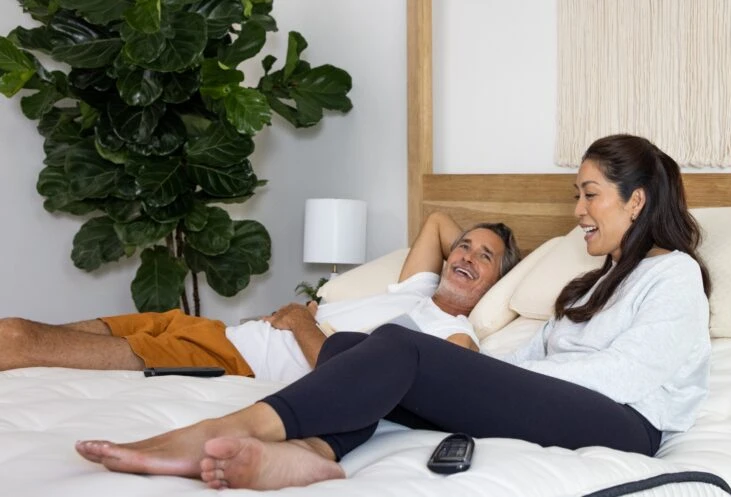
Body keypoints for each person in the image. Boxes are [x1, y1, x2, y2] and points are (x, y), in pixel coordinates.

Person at [75, 134, 713, 491]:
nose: (578, 210)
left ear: (636, 202)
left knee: (404, 348)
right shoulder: (590, 284)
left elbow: (624, 380)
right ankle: (316, 452)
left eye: (590, 194)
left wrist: (483, 380)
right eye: (577, 195)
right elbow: (530, 356)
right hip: (569, 401)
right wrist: (476, 371)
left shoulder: (674, 275)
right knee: (360, 348)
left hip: (625, 423)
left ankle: (237, 428)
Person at [0, 212, 521, 383]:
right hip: (214, 331)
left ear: (499, 282)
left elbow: (439, 388)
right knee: (23, 338)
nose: (466, 257)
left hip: (230, 362)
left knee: (17, 338)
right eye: (463, 249)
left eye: (485, 258)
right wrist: (470, 255)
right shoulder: (419, 290)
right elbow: (434, 223)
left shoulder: (450, 334)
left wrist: (302, 323)